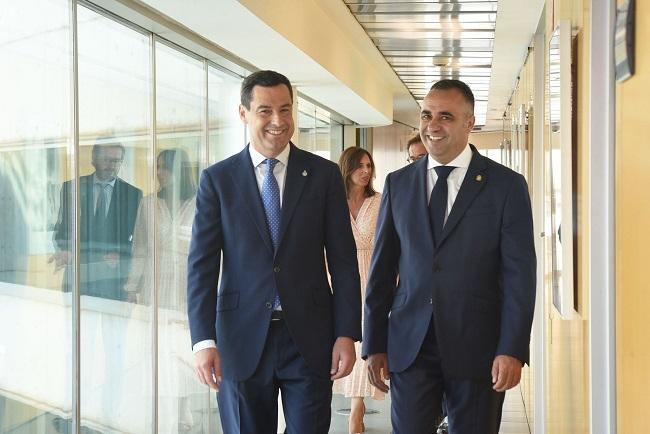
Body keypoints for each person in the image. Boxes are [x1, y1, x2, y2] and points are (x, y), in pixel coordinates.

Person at [187, 70, 361, 434]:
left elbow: (344, 261)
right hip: (240, 339)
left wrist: (347, 332)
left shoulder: (324, 175)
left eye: (285, 109)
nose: (278, 121)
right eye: (265, 110)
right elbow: (202, 267)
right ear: (244, 113)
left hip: (311, 339)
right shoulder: (218, 180)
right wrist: (203, 340)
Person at [363, 79, 536, 434]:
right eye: (426, 115)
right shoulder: (399, 184)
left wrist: (513, 348)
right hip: (411, 344)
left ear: (469, 122)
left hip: (479, 347)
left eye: (446, 116)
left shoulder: (506, 186)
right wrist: (374, 343)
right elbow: (381, 270)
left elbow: (520, 276)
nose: (432, 125)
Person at [125, 148, 198, 432]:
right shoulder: (148, 204)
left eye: (165, 168)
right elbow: (140, 248)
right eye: (157, 168)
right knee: (158, 346)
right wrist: (132, 286)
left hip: (186, 282)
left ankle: (183, 406)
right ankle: (163, 406)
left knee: (183, 345)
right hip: (156, 282)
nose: (159, 173)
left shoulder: (198, 202)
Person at [332, 147, 384, 434]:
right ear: (347, 168)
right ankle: (353, 406)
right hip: (341, 278)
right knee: (347, 340)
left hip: (374, 277)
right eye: (359, 166)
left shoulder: (379, 201)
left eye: (369, 166)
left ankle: (356, 410)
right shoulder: (334, 202)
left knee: (367, 343)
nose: (366, 171)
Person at [51, 139, 142, 301]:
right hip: (78, 275)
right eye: (106, 160)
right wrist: (64, 249)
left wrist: (121, 253)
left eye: (117, 161)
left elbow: (138, 238)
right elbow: (61, 228)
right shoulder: (72, 188)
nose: (112, 165)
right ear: (94, 159)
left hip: (114, 279)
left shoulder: (133, 194)